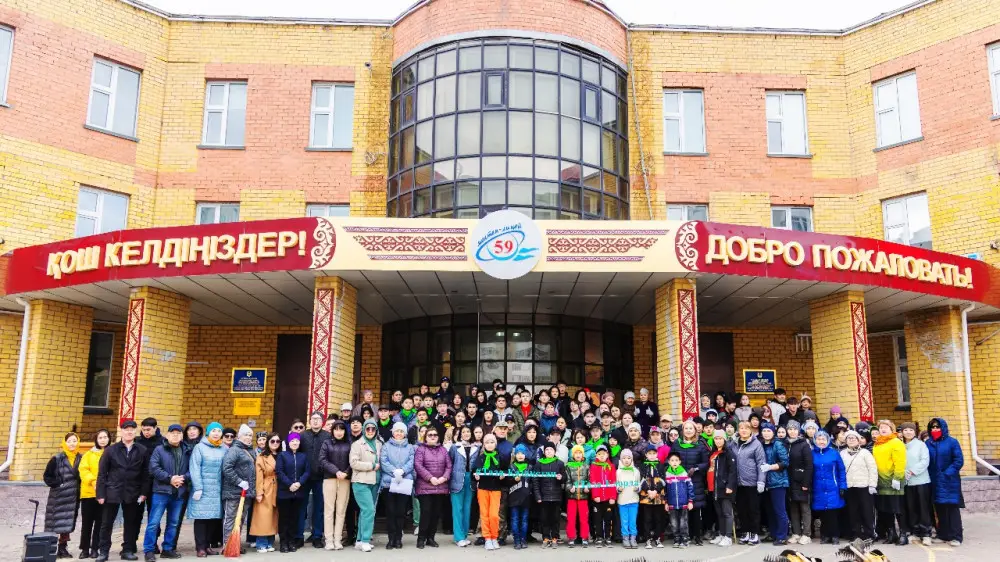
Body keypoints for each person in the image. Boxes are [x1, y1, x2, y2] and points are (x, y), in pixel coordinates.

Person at [143, 424, 190, 561]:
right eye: (172, 433)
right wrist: (170, 479)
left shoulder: (187, 450)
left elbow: (192, 468)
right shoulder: (159, 449)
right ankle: (149, 550)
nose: (175, 435)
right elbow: (154, 468)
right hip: (161, 492)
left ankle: (167, 549)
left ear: (182, 436)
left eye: (178, 433)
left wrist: (183, 478)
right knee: (153, 523)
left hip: (178, 492)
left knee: (173, 523)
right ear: (167, 435)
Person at [187, 422, 226, 557]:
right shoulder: (199, 447)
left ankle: (208, 545)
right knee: (201, 518)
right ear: (208, 432)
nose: (216, 433)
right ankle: (200, 547)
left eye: (219, 431)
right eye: (213, 431)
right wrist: (198, 487)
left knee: (213, 518)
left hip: (217, 489)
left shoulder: (224, 448)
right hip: (203, 489)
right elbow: (194, 468)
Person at [926, 417, 964, 546]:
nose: (935, 429)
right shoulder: (928, 443)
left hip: (949, 481)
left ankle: (956, 536)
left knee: (952, 508)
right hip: (934, 481)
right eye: (933, 427)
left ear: (943, 428)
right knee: (940, 509)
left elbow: (958, 460)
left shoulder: (952, 442)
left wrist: (947, 473)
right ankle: (943, 534)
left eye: (937, 427)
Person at [44, 432, 82, 559]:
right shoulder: (57, 458)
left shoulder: (81, 458)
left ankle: (63, 547)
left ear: (78, 442)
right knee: (54, 523)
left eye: (74, 441)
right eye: (69, 441)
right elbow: (47, 476)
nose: (72, 443)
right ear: (65, 443)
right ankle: (51, 548)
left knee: (67, 523)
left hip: (73, 497)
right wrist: (58, 484)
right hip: (58, 496)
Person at [317, 420, 352, 550]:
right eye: (336, 429)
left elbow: (353, 461)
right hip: (329, 479)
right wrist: (336, 471)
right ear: (332, 431)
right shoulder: (327, 443)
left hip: (345, 480)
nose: (339, 432)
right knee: (329, 510)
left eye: (341, 429)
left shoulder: (349, 444)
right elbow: (322, 460)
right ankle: (329, 540)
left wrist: (346, 472)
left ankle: (338, 540)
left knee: (341, 510)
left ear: (345, 431)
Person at [414, 426, 451, 548]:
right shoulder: (421, 449)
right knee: (426, 512)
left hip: (440, 486)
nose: (433, 437)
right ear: (426, 437)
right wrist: (430, 478)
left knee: (436, 514)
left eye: (435, 435)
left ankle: (431, 538)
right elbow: (418, 465)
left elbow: (449, 466)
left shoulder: (443, 450)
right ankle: (421, 539)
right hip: (425, 487)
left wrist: (444, 478)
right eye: (430, 435)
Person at [347, 418, 380, 552]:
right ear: (364, 430)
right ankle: (366, 539)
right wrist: (371, 465)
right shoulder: (357, 444)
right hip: (361, 481)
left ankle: (359, 540)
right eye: (368, 428)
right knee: (369, 510)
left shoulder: (378, 444)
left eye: (373, 429)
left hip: (375, 482)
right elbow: (353, 463)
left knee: (364, 511)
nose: (370, 431)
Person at [872, 419, 906, 545]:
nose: (883, 429)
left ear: (892, 429)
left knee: (897, 508)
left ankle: (903, 534)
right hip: (881, 481)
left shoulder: (896, 442)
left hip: (893, 480)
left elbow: (900, 462)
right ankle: (892, 534)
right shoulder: (878, 443)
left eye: (886, 427)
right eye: (881, 427)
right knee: (885, 509)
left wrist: (897, 478)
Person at [221, 425, 255, 551]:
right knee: (230, 518)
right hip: (233, 491)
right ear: (239, 436)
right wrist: (239, 482)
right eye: (246, 435)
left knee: (240, 519)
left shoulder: (250, 450)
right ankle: (227, 545)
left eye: (250, 435)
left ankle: (235, 544)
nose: (248, 437)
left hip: (246, 492)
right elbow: (227, 468)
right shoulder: (234, 450)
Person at [298, 412, 330, 548]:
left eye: (318, 419)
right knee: (301, 507)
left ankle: (317, 536)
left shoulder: (327, 436)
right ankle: (298, 536)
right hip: (304, 477)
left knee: (319, 507)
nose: (315, 421)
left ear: (322, 421)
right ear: (309, 421)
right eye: (313, 419)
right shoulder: (303, 436)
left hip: (321, 477)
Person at [898, 422, 932, 545]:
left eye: (911, 430)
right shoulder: (900, 445)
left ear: (915, 432)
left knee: (923, 508)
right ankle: (915, 532)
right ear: (902, 432)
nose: (908, 432)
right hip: (907, 482)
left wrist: (912, 471)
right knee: (911, 508)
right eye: (905, 430)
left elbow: (925, 461)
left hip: (921, 481)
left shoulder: (921, 445)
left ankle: (926, 533)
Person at [673, 420, 707, 545]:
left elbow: (706, 462)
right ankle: (685, 535)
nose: (688, 430)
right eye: (686, 428)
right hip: (680, 480)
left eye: (690, 428)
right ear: (682, 431)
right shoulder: (677, 444)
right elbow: (670, 460)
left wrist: (696, 468)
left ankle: (697, 536)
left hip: (695, 480)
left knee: (695, 509)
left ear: (695, 430)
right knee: (683, 510)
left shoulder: (700, 444)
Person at [79, 429, 111, 558]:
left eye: (105, 437)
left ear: (109, 438)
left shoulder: (111, 453)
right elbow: (83, 470)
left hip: (105, 493)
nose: (103, 440)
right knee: (87, 523)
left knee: (100, 523)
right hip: (89, 493)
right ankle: (84, 548)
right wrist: (93, 481)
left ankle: (95, 548)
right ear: (96, 440)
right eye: (100, 438)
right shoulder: (88, 454)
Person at [473, 433, 507, 551]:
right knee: (484, 515)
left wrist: (503, 476)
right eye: (487, 442)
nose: (490, 444)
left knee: (494, 515)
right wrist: (476, 476)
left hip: (496, 489)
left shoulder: (500, 457)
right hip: (483, 489)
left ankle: (494, 537)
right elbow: (474, 472)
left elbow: (505, 471)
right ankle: (487, 538)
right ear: (484, 444)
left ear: (495, 444)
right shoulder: (480, 457)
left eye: (492, 442)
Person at [841, 429, 877, 541]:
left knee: (867, 511)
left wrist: (872, 484)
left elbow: (872, 469)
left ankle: (869, 534)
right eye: (849, 438)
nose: (851, 440)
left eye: (854, 438)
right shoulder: (842, 453)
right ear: (846, 440)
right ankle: (856, 534)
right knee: (853, 512)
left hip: (864, 486)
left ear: (858, 440)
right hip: (849, 486)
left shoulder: (865, 452)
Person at [811, 430, 846, 545]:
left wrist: (842, 486)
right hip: (818, 487)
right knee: (823, 512)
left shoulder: (834, 453)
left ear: (828, 441)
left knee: (832, 512)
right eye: (819, 439)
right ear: (815, 440)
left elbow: (841, 470)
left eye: (823, 439)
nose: (821, 441)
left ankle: (835, 535)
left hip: (833, 487)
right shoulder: (811, 453)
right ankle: (825, 535)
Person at [276, 432, 309, 553]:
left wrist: (299, 483)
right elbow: (279, 472)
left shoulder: (303, 456)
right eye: (292, 441)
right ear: (288, 443)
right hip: (284, 492)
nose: (295, 443)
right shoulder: (282, 455)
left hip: (298, 492)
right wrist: (289, 484)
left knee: (294, 518)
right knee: (284, 518)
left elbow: (307, 472)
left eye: (297, 441)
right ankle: (283, 542)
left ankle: (291, 542)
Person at [733, 421, 765, 545]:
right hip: (738, 483)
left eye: (746, 428)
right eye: (741, 428)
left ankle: (754, 533)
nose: (744, 430)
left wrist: (761, 481)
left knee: (753, 509)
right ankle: (745, 532)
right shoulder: (734, 443)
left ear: (751, 430)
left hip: (752, 482)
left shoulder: (756, 444)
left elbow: (761, 463)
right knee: (742, 510)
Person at [759, 422, 790, 546]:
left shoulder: (778, 444)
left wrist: (771, 467)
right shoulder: (760, 444)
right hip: (765, 482)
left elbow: (785, 462)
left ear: (773, 432)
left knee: (779, 510)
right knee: (770, 510)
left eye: (769, 431)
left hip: (778, 482)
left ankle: (782, 536)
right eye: (764, 431)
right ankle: (773, 534)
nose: (766, 433)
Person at [448, 425, 479, 547]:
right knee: (457, 509)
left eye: (468, 431)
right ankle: (458, 537)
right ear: (460, 434)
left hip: (470, 480)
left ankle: (464, 535)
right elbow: (450, 463)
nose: (466, 433)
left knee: (467, 508)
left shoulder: (476, 447)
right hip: (457, 479)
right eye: (464, 431)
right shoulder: (454, 447)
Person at [784, 420, 814, 545]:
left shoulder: (803, 444)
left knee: (804, 507)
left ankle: (806, 534)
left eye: (795, 429)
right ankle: (796, 533)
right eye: (790, 429)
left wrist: (806, 483)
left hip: (801, 480)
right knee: (793, 508)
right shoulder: (784, 444)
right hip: (789, 480)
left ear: (798, 431)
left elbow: (809, 465)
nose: (792, 432)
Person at [250, 433, 279, 553]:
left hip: (278, 487)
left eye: (277, 441)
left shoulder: (281, 455)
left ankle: (270, 542)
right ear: (268, 443)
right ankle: (261, 543)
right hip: (266, 487)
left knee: (273, 516)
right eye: (272, 441)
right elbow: (259, 476)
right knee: (263, 516)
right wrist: (259, 492)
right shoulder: (262, 456)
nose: (275, 443)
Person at [708, 429, 737, 547]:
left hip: (724, 487)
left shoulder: (728, 453)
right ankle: (722, 534)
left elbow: (732, 471)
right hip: (714, 488)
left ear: (724, 439)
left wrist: (729, 485)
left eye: (720, 438)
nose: (718, 441)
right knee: (719, 513)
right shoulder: (713, 453)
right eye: (716, 438)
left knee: (727, 513)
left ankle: (728, 537)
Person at [531, 442, 564, 548]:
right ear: (544, 452)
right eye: (547, 450)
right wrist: (538, 496)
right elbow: (535, 480)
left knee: (555, 518)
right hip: (543, 496)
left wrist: (561, 478)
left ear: (555, 451)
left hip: (556, 496)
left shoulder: (559, 463)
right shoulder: (539, 464)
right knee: (544, 518)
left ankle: (555, 537)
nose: (549, 451)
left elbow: (565, 477)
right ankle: (546, 537)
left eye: (551, 449)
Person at [663, 451, 694, 549]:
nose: (674, 462)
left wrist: (690, 501)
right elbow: (665, 490)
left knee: (683, 522)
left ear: (680, 462)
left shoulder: (684, 473)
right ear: (669, 462)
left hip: (683, 503)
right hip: (672, 504)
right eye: (672, 460)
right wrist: (666, 502)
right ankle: (676, 538)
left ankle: (685, 539)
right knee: (674, 523)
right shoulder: (667, 474)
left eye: (676, 460)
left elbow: (690, 488)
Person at [638, 445, 665, 549]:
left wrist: (656, 491)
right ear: (646, 455)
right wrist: (648, 490)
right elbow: (641, 480)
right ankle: (648, 539)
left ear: (657, 454)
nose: (652, 455)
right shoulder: (642, 466)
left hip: (658, 496)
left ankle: (657, 538)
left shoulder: (661, 465)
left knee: (658, 518)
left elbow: (663, 480)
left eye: (654, 453)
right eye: (650, 453)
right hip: (646, 496)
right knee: (647, 519)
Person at [564, 444, 591, 548]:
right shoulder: (568, 466)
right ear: (573, 455)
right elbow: (567, 481)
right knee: (571, 518)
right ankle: (571, 537)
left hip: (583, 497)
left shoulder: (586, 466)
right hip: (572, 497)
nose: (578, 455)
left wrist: (588, 487)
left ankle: (584, 538)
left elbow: (589, 480)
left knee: (584, 518)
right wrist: (569, 487)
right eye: (576, 453)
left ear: (583, 455)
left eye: (580, 453)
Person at [506, 444, 532, 550]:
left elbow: (533, 482)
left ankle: (523, 539)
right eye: (518, 453)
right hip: (514, 498)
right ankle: (516, 540)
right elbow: (507, 481)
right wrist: (513, 479)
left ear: (525, 455)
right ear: (515, 455)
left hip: (526, 498)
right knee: (515, 520)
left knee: (525, 520)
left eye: (522, 453)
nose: (520, 455)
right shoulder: (511, 467)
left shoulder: (530, 467)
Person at [615, 449, 641, 549]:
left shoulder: (636, 471)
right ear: (621, 459)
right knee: (624, 521)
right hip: (622, 501)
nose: (626, 460)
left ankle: (633, 538)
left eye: (629, 458)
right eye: (624, 458)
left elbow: (638, 483)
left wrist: (637, 488)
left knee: (633, 521)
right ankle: (625, 538)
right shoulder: (618, 472)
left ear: (632, 459)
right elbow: (616, 484)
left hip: (633, 500)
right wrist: (618, 488)